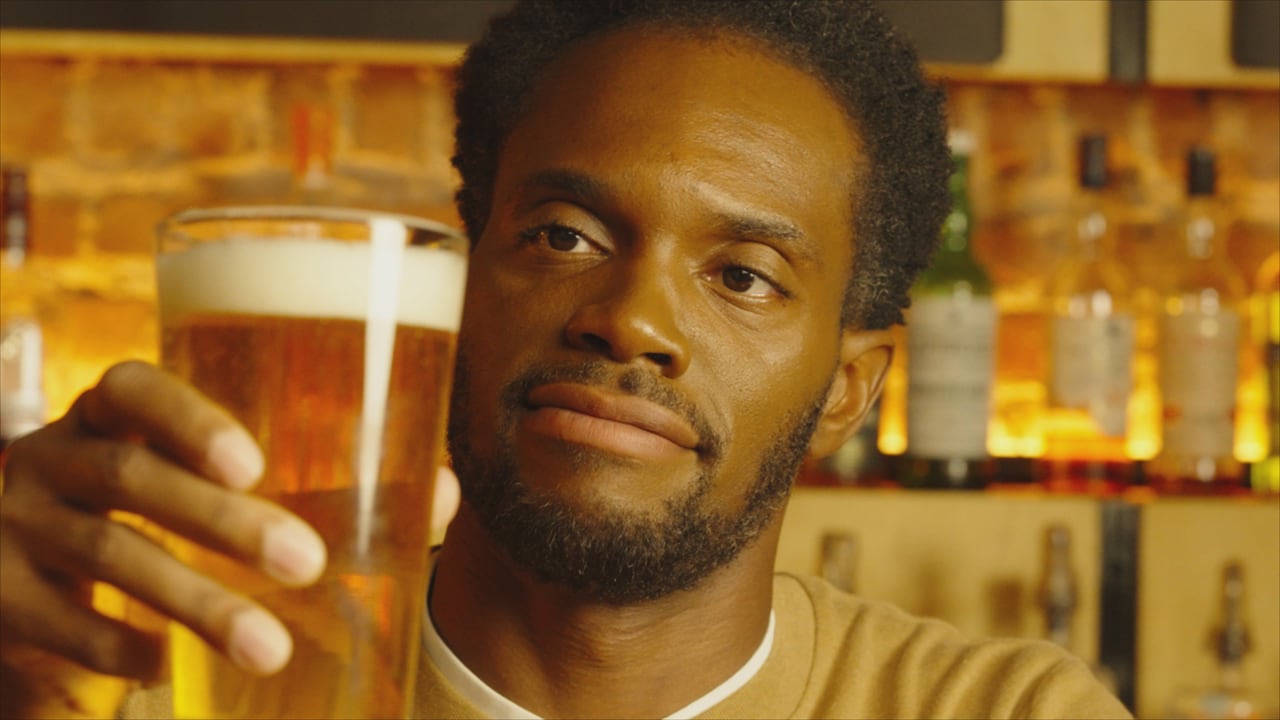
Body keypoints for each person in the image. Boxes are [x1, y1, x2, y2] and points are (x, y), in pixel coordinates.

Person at [0, 1, 1132, 718]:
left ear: (849, 388)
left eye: (742, 275)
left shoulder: (999, 711)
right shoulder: (150, 683)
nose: (628, 319)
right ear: (456, 286)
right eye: (562, 236)